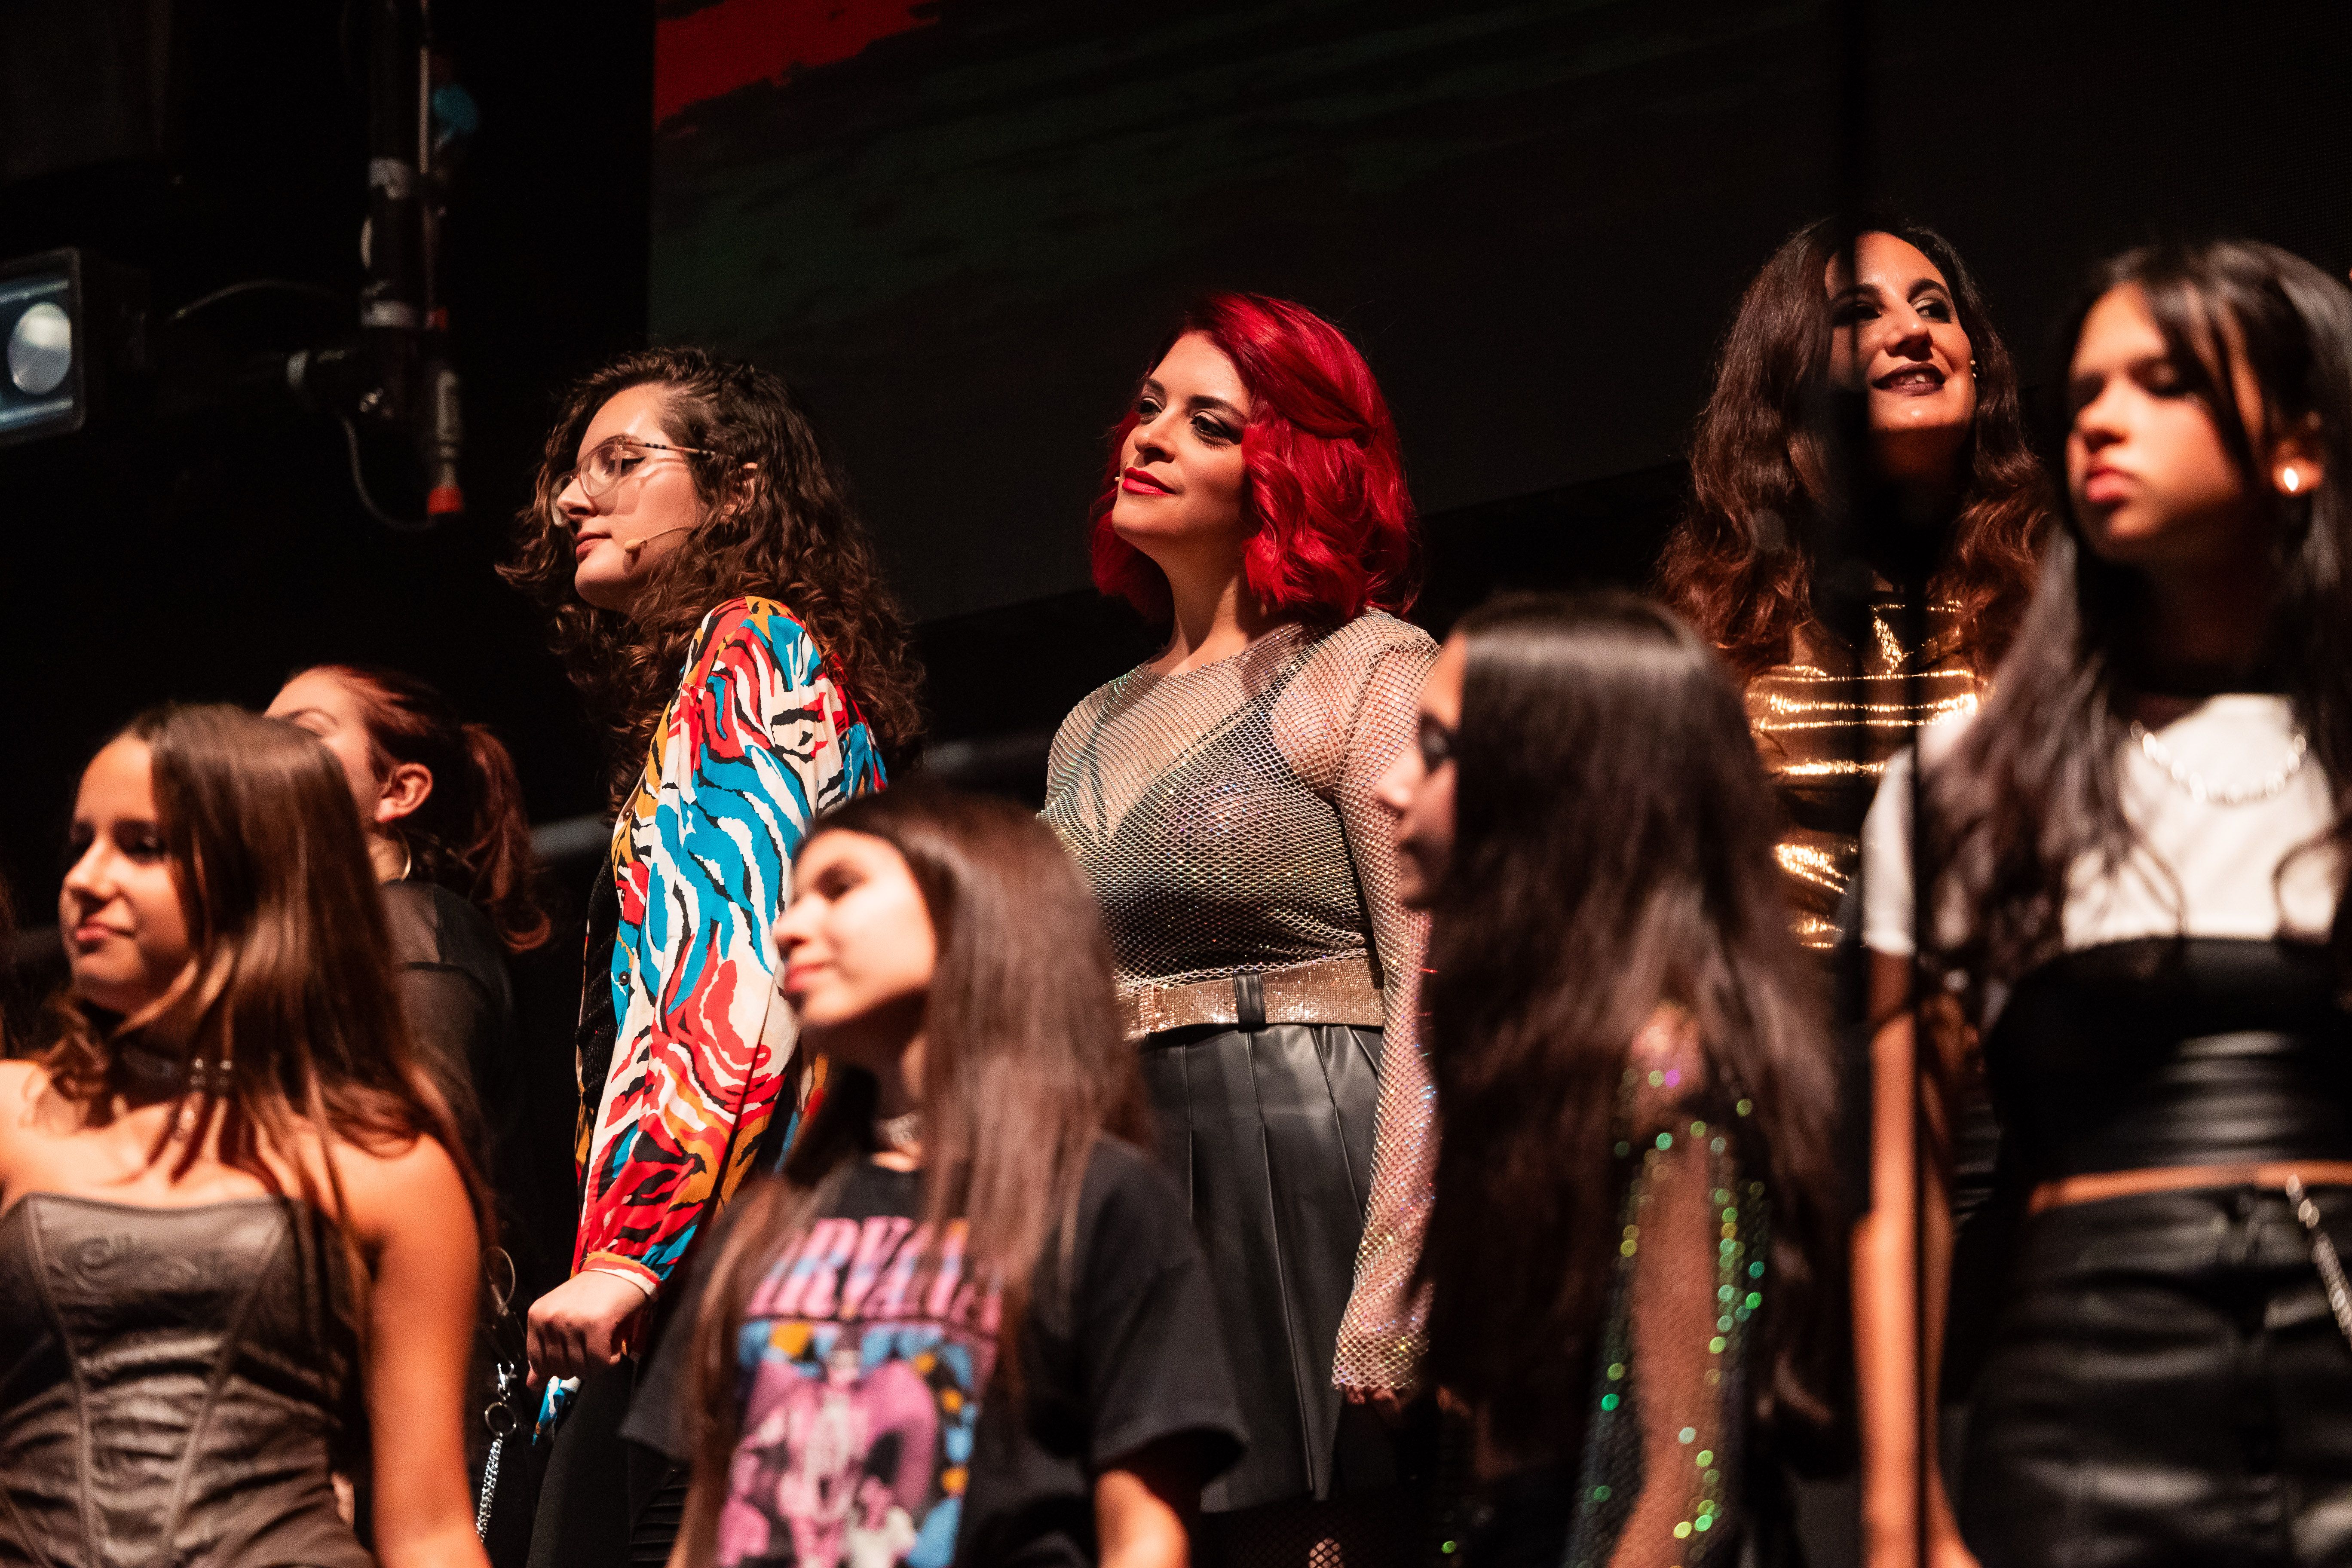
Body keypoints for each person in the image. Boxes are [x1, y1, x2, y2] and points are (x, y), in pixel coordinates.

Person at [1855, 240, 2352, 1567]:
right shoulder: (1969, 782)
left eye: (2165, 381)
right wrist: (1904, 1518)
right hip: (2088, 1400)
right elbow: (1897, 1179)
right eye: (2085, 392)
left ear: (2298, 445)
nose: (2104, 421)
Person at [502, 346, 923, 1568]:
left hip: (719, 1254)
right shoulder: (746, 664)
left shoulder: (751, 653)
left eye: (623, 464)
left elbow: (727, 980)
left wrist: (635, 1249)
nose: (575, 500)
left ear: (736, 491)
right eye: (573, 476)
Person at [1039, 293, 1434, 1565]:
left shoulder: (1369, 666)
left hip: (1308, 1159)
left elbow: (1444, 979)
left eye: (1205, 423)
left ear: (1290, 469)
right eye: (1148, 405)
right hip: (1132, 1180)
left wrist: (1399, 1271)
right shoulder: (1088, 720)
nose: (1146, 437)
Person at [632, 785, 1246, 1568]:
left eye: (841, 887)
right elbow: (706, 1523)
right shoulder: (767, 1223)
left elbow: (1145, 1537)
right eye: (790, 899)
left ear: (971, 908)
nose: (788, 926)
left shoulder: (1100, 1200)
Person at [1381, 592, 1844, 1568]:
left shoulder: (1667, 1078)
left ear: (1559, 786)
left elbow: (1685, 1489)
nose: (1388, 786)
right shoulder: (1518, 1061)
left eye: (1434, 751)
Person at [0, 704, 489, 1568]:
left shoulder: (389, 1163)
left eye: (141, 846)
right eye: (82, 843)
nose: (86, 878)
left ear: (263, 878)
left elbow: (429, 1529)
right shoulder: (12, 1114)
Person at [1657, 213, 2052, 953]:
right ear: (1790, 372)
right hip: (1791, 1044)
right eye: (1860, 314)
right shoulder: (1718, 622)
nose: (1913, 331)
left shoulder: (2053, 590)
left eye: (1935, 308)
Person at [265, 663, 546, 1168]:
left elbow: (413, 1167)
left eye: (302, 734)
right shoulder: (328, 942)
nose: (255, 755)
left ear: (398, 791)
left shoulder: (411, 942)